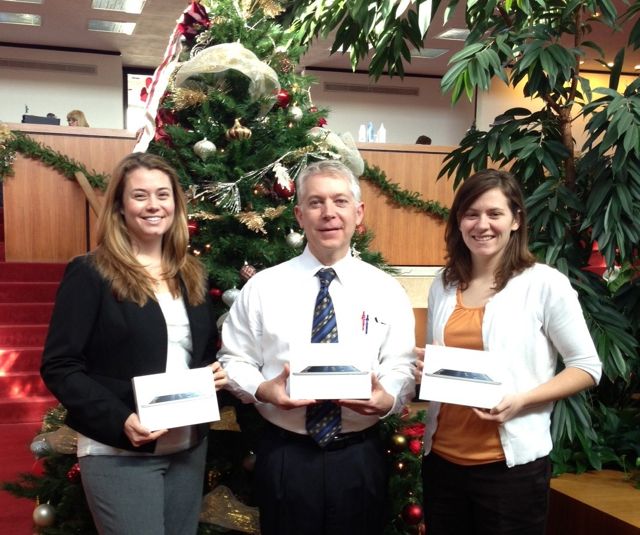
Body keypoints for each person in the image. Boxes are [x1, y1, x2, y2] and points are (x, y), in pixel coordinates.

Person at [218, 159, 416, 535]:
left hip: (360, 456)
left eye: (340, 202)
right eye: (316, 202)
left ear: (358, 213)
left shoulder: (386, 290)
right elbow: (234, 359)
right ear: (299, 214)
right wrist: (264, 389)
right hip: (286, 455)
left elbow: (401, 365)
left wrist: (386, 399)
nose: (329, 213)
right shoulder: (263, 288)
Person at [40, 152, 226, 535]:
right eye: (140, 196)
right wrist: (120, 419)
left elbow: (200, 355)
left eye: (163, 194)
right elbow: (60, 366)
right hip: (119, 452)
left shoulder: (192, 273)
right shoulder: (91, 273)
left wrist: (214, 375)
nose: (153, 205)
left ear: (176, 203)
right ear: (121, 208)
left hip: (188, 448)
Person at [417, 169, 602, 535]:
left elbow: (587, 367)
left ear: (516, 220)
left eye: (494, 214)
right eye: (470, 214)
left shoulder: (544, 284)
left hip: (510, 470)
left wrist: (521, 400)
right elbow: (444, 364)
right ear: (458, 221)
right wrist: (427, 371)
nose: (481, 224)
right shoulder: (444, 283)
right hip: (442, 463)